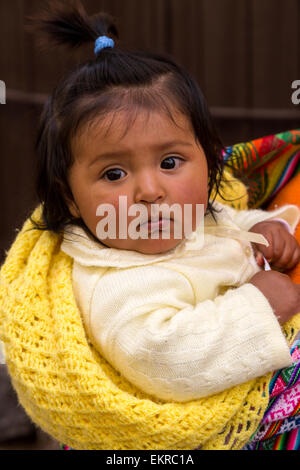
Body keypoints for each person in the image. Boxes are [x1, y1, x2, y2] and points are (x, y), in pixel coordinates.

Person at [1, 0, 300, 450]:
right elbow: (166, 359)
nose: (150, 190)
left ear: (207, 157)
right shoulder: (118, 283)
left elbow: (224, 222)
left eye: (170, 161)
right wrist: (259, 306)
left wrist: (263, 226)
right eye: (114, 174)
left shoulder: (192, 215)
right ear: (70, 199)